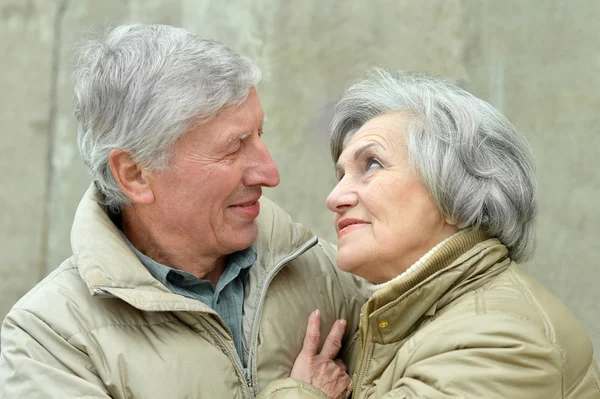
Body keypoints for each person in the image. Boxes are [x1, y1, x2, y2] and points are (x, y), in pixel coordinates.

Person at [0, 24, 368, 398]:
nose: (270, 174)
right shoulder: (49, 340)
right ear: (136, 174)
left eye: (260, 134)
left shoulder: (319, 265)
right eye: (234, 146)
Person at [259, 69, 600, 398]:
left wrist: (301, 393)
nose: (335, 199)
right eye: (340, 176)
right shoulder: (392, 318)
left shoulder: (498, 340)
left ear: (455, 193)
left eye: (372, 165)